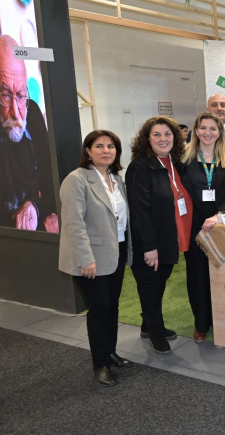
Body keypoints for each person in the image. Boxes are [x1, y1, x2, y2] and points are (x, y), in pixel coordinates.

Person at [58, 130, 132, 386]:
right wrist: (85, 259)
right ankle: (100, 364)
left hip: (116, 250)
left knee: (112, 305)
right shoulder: (76, 179)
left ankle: (110, 352)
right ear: (88, 151)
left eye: (110, 146)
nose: (106, 151)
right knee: (99, 308)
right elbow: (74, 223)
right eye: (99, 146)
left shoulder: (115, 178)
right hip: (91, 257)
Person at [126, 117, 192, 355]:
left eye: (167, 134)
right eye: (156, 134)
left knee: (159, 284)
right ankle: (156, 334)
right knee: (150, 287)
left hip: (169, 239)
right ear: (147, 139)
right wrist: (149, 246)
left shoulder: (173, 164)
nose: (163, 139)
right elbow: (139, 210)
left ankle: (148, 324)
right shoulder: (140, 166)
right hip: (150, 242)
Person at [180, 112, 225, 343]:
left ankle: (221, 322)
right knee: (197, 275)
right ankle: (201, 324)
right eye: (203, 128)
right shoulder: (184, 158)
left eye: (213, 129)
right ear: (196, 130)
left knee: (221, 274)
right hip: (193, 225)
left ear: (220, 132)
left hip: (220, 224)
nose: (208, 133)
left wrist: (218, 215)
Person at [0, 35, 57, 232]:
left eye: (20, 95)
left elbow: (52, 184)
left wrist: (35, 206)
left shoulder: (31, 113)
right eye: (5, 95)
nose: (16, 113)